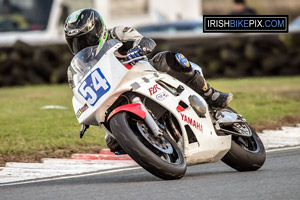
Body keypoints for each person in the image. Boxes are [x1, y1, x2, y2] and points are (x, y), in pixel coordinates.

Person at [64, 9, 233, 152]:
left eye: (85, 39)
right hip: (114, 95)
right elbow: (79, 91)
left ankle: (211, 95)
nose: (82, 46)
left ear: (98, 31)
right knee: (113, 143)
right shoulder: (78, 67)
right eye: (76, 43)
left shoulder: (117, 33)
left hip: (142, 73)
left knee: (169, 59)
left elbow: (143, 40)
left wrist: (141, 46)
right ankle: (150, 142)